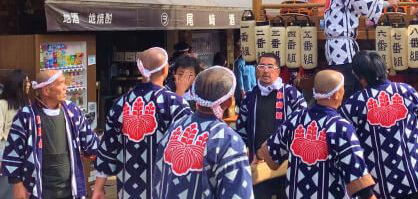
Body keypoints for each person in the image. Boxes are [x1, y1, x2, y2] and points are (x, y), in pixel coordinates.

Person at [260, 70, 376, 199]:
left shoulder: (296, 118)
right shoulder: (341, 127)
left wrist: (258, 156)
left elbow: (271, 152)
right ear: (337, 94)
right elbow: (359, 180)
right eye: (342, 89)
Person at [93, 47, 191, 199]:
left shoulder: (121, 103)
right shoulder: (175, 104)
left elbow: (108, 147)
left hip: (128, 191)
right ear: (165, 69)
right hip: (165, 190)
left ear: (140, 70)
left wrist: (98, 188)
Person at [341, 51, 418, 199]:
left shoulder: (353, 104)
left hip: (379, 186)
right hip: (415, 179)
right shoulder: (408, 91)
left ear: (361, 78)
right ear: (385, 69)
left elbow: (347, 146)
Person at [156, 66, 253, 198]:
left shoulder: (174, 128)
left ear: (195, 96)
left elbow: (158, 180)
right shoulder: (229, 140)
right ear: (229, 101)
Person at [1, 70, 99, 199]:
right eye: (61, 83)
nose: (65, 87)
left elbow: (91, 143)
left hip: (71, 189)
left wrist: (100, 167)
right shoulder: (26, 115)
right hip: (37, 189)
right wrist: (17, 184)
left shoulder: (72, 111)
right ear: (46, 91)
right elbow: (13, 152)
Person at [323, 0, 395, 97]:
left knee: (347, 83)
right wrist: (387, 3)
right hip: (341, 46)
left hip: (340, 45)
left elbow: (361, 0)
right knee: (346, 85)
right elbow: (364, 5)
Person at [236, 53, 306, 199]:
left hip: (287, 163)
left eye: (270, 66)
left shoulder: (291, 93)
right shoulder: (250, 96)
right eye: (262, 66)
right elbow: (241, 129)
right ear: (257, 70)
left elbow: (303, 124)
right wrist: (244, 155)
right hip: (258, 162)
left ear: (278, 71)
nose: (266, 70)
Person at [0, 70, 25, 199]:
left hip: (23, 152)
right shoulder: (2, 104)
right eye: (26, 82)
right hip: (6, 152)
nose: (29, 84)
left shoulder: (25, 103)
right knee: (6, 189)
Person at [235, 40, 257, 107]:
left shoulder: (239, 62)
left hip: (246, 91)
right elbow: (240, 78)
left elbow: (239, 78)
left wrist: (242, 92)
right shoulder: (251, 61)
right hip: (249, 90)